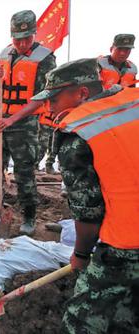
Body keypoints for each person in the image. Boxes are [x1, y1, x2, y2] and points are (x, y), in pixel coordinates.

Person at [31, 57, 139, 334]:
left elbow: (88, 212)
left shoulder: (80, 133)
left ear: (82, 93)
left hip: (128, 243)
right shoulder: (133, 101)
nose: (49, 107)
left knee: (82, 321)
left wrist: (81, 255)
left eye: (54, 99)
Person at [0, 10, 56, 235]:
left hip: (23, 123)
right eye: (17, 38)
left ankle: (29, 215)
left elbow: (42, 96)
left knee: (24, 172)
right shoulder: (5, 53)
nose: (22, 43)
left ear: (34, 34)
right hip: (0, 120)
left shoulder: (45, 58)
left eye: (27, 38)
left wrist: (13, 119)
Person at [36, 102, 56, 174]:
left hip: (56, 124)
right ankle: (35, 166)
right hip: (44, 124)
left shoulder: (63, 96)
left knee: (53, 147)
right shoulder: (46, 97)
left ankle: (49, 165)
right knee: (42, 145)